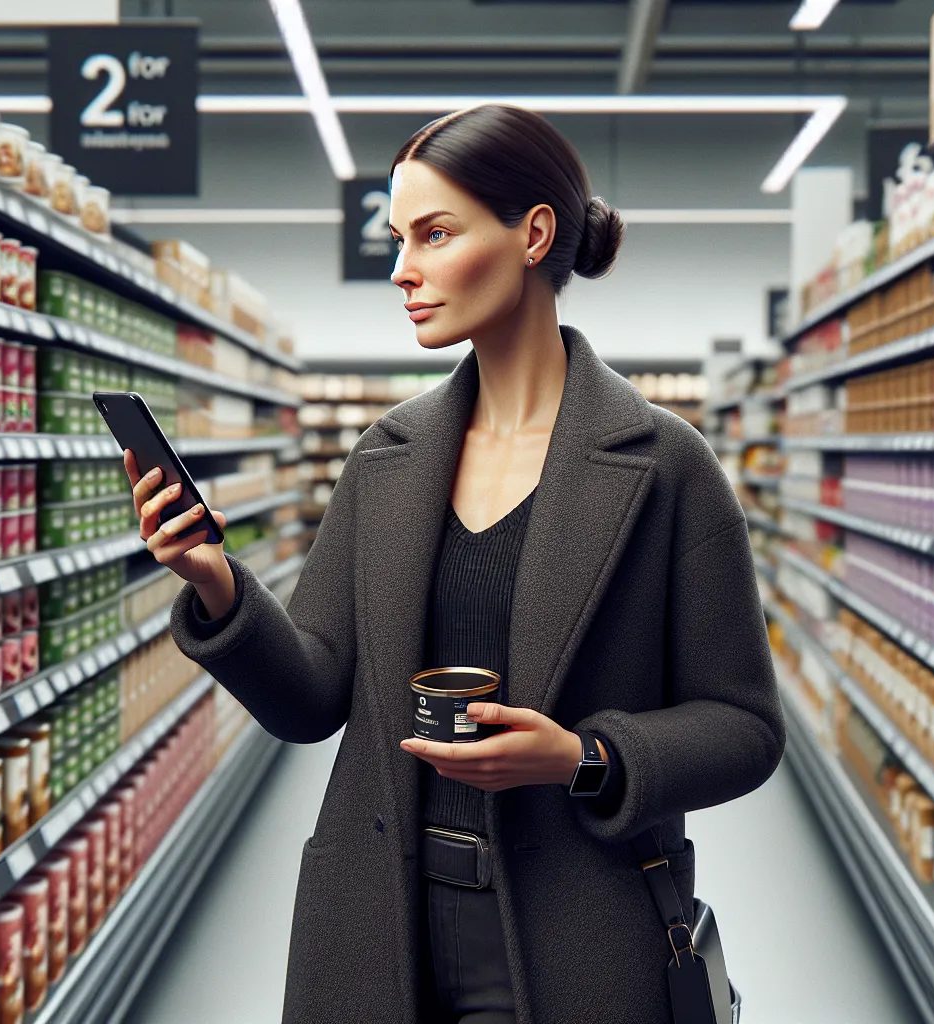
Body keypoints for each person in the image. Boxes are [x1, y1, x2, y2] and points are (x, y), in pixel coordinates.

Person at [128, 103, 782, 1024]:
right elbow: (315, 697)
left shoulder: (666, 465)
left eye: (434, 234)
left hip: (578, 931)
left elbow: (745, 728)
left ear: (534, 234)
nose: (403, 271)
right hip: (383, 920)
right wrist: (215, 583)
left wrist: (582, 757)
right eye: (398, 238)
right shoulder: (387, 455)